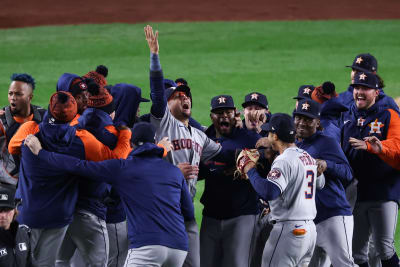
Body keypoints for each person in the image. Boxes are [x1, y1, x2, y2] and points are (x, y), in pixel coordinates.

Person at [24, 121, 194, 267]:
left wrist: (41, 153)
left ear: (132, 144)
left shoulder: (122, 168)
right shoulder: (174, 172)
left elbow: (77, 165)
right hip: (178, 248)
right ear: (155, 142)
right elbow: (189, 213)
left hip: (147, 247)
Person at [144, 25, 236, 267]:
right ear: (167, 103)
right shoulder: (163, 123)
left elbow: (223, 153)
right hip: (161, 208)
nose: (185, 97)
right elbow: (156, 91)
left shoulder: (198, 135)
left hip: (186, 211)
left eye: (187, 95)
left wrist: (249, 152)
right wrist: (155, 56)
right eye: (178, 96)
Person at [11, 91, 131, 267]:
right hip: (59, 217)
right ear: (74, 116)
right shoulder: (82, 140)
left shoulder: (30, 132)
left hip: (28, 213)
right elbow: (116, 160)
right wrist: (126, 136)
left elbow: (13, 147)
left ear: (50, 110)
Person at [239, 113, 324, 267]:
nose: (267, 136)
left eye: (269, 133)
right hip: (309, 232)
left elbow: (269, 192)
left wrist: (250, 170)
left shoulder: (284, 160)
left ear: (276, 136)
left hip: (289, 231)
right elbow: (320, 183)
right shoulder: (307, 156)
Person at [341, 71, 400, 267]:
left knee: (384, 248)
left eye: (365, 88)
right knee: (356, 253)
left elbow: (398, 148)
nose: (359, 92)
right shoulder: (346, 116)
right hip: (356, 194)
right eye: (356, 88)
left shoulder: (388, 115)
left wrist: (380, 148)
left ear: (376, 92)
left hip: (383, 192)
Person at [199, 94, 260, 267]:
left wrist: (245, 166)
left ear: (235, 114)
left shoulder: (249, 138)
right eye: (219, 112)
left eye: (227, 111)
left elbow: (267, 159)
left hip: (242, 215)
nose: (223, 116)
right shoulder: (204, 137)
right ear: (211, 116)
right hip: (211, 215)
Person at [293, 99, 355, 267]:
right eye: (299, 118)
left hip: (333, 214)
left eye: (307, 119)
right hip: (310, 219)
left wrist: (327, 165)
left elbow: (348, 173)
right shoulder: (294, 145)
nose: (301, 123)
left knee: (344, 264)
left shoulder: (326, 142)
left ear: (317, 122)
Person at [0, 73, 46, 186]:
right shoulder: (1, 120)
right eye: (10, 93)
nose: (13, 98)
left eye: (18, 94)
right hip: (9, 183)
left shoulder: (44, 117)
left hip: (37, 181)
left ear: (30, 97)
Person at [0, 184, 31, 267]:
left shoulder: (22, 234)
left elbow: (30, 263)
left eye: (7, 210)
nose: (3, 215)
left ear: (14, 211)